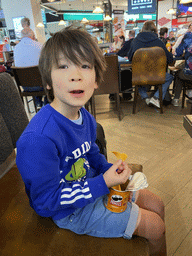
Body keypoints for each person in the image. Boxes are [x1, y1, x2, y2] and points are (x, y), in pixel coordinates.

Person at [16, 27, 166, 256]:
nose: (76, 75)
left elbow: (91, 153)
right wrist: (102, 183)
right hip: (69, 211)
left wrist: (109, 170)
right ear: (47, 81)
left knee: (157, 204)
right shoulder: (39, 139)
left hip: (92, 185)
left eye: (85, 66)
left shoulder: (84, 116)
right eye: (63, 66)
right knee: (155, 227)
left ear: (96, 80)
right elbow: (45, 202)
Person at [128, 21, 174, 108]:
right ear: (154, 30)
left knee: (137, 80)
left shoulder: (135, 42)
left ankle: (145, 97)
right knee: (170, 77)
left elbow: (130, 58)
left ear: (142, 29)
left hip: (139, 76)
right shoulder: (159, 42)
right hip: (157, 76)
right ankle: (156, 98)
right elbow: (170, 59)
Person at [13, 27, 47, 108]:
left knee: (33, 78)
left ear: (21, 37)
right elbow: (47, 64)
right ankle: (46, 104)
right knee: (47, 79)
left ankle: (37, 103)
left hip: (25, 86)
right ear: (33, 36)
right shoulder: (40, 46)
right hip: (40, 85)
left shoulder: (16, 48)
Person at [172, 23, 192, 106]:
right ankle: (190, 93)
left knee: (179, 72)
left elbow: (178, 52)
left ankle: (176, 99)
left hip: (189, 72)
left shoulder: (188, 36)